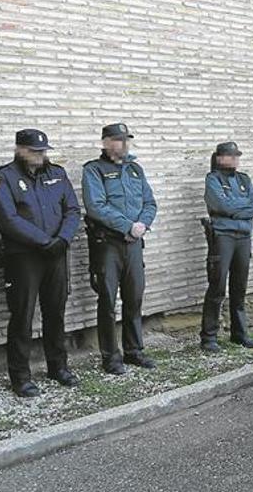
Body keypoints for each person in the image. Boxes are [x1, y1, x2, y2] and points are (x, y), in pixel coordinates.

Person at [0, 129, 81, 397]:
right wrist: (44, 241)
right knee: (22, 316)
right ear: (19, 149)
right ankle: (20, 377)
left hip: (56, 253)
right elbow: (7, 219)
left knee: (55, 312)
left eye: (43, 151)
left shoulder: (57, 174)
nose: (39, 155)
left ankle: (58, 367)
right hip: (24, 258)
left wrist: (63, 239)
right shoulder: (3, 177)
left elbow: (73, 210)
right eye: (34, 151)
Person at [82, 123, 157, 375]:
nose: (123, 144)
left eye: (126, 140)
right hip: (108, 245)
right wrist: (128, 226)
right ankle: (111, 357)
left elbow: (149, 202)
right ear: (105, 142)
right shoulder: (94, 170)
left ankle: (134, 351)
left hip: (134, 244)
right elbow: (96, 206)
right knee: (107, 301)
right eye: (117, 140)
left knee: (134, 298)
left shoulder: (136, 169)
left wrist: (142, 225)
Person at [200, 141, 253, 352]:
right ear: (219, 158)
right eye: (231, 155)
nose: (235, 159)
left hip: (243, 238)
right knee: (217, 287)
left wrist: (233, 210)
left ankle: (239, 333)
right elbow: (220, 205)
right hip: (222, 237)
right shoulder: (213, 179)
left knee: (239, 287)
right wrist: (238, 208)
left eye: (237, 156)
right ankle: (209, 337)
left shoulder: (244, 179)